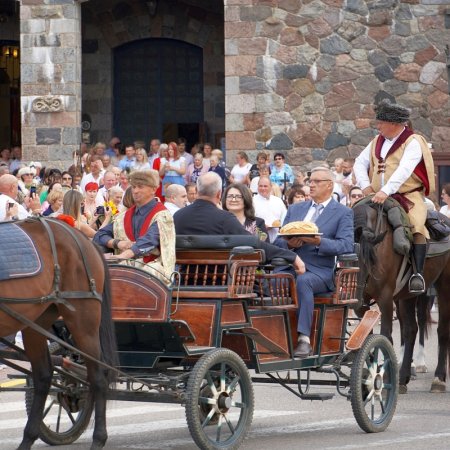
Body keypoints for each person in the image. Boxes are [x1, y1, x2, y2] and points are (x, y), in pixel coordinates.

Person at [353, 99, 435, 294]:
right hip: (374, 196)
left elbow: (405, 169)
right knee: (354, 219)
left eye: (381, 122)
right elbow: (358, 162)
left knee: (416, 227)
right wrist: (365, 187)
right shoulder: (376, 141)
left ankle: (417, 274)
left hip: (407, 196)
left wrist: (385, 191)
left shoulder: (413, 141)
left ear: (394, 124)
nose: (378, 126)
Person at [274, 167, 354, 358]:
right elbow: (277, 241)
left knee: (304, 281)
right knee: (270, 279)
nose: (311, 185)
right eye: (310, 181)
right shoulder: (295, 209)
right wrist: (289, 244)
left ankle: (304, 339)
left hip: (321, 271)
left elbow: (346, 245)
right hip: (290, 265)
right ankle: (275, 334)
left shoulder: (343, 213)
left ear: (329, 185)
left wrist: (319, 242)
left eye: (317, 182)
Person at [173, 172, 304, 271]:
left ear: (196, 191)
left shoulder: (177, 216)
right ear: (219, 194)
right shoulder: (224, 219)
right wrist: (291, 256)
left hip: (184, 282)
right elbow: (253, 242)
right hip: (221, 284)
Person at [94, 170, 176, 283]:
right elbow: (99, 235)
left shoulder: (163, 216)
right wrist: (118, 243)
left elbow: (149, 240)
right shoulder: (123, 216)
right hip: (128, 265)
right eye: (133, 187)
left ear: (153, 189)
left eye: (140, 187)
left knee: (148, 271)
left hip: (154, 266)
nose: (135, 191)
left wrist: (123, 256)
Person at [253, 176, 287, 242]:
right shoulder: (252, 201)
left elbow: (285, 218)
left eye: (265, 186)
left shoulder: (278, 201)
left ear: (270, 187)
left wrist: (280, 224)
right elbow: (248, 221)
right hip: (259, 240)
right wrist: (261, 227)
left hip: (278, 239)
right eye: (260, 186)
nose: (263, 188)